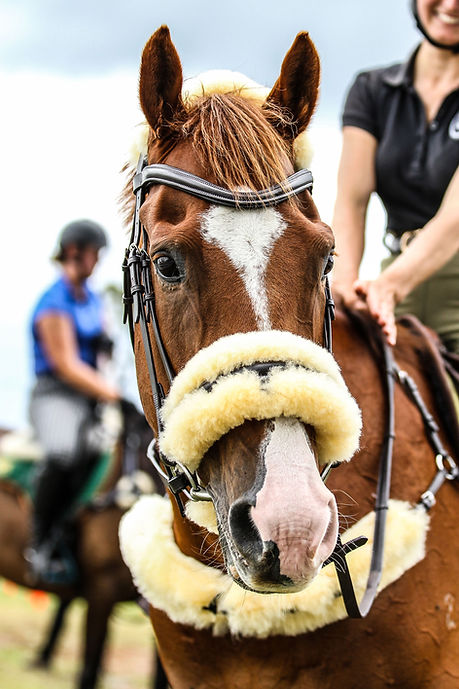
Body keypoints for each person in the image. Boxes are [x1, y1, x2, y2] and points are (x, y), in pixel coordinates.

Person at [332, 0, 459, 352]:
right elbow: (351, 203)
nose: (451, 4)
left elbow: (455, 218)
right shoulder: (372, 90)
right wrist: (344, 286)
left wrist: (388, 287)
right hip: (393, 274)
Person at [26, 219, 120, 583]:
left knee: (105, 451)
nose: (97, 261)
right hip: (55, 395)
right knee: (64, 451)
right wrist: (110, 392)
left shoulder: (94, 299)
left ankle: (71, 529)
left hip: (90, 397)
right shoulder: (53, 302)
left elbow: (102, 352)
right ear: (73, 252)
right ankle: (40, 542)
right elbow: (65, 364)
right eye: (94, 253)